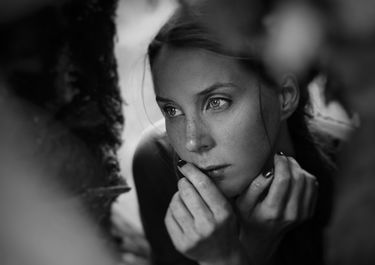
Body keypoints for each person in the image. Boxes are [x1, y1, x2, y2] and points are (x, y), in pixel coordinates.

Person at [132, 6, 334, 265]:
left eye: (217, 102)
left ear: (285, 96)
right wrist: (244, 249)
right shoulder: (156, 161)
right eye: (172, 110)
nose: (193, 141)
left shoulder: (360, 168)